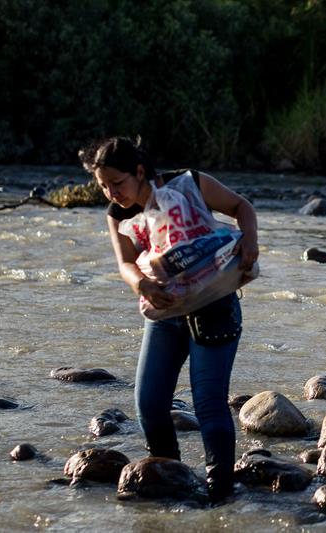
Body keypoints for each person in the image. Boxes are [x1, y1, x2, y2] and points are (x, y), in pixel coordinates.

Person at [78, 136, 259, 503]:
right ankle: (170, 478)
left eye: (117, 183)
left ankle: (220, 494)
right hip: (164, 312)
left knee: (209, 404)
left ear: (139, 171)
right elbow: (125, 263)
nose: (112, 193)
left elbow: (242, 207)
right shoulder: (118, 214)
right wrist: (141, 284)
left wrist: (250, 242)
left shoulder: (190, 183)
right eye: (103, 186)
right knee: (149, 403)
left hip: (214, 307)